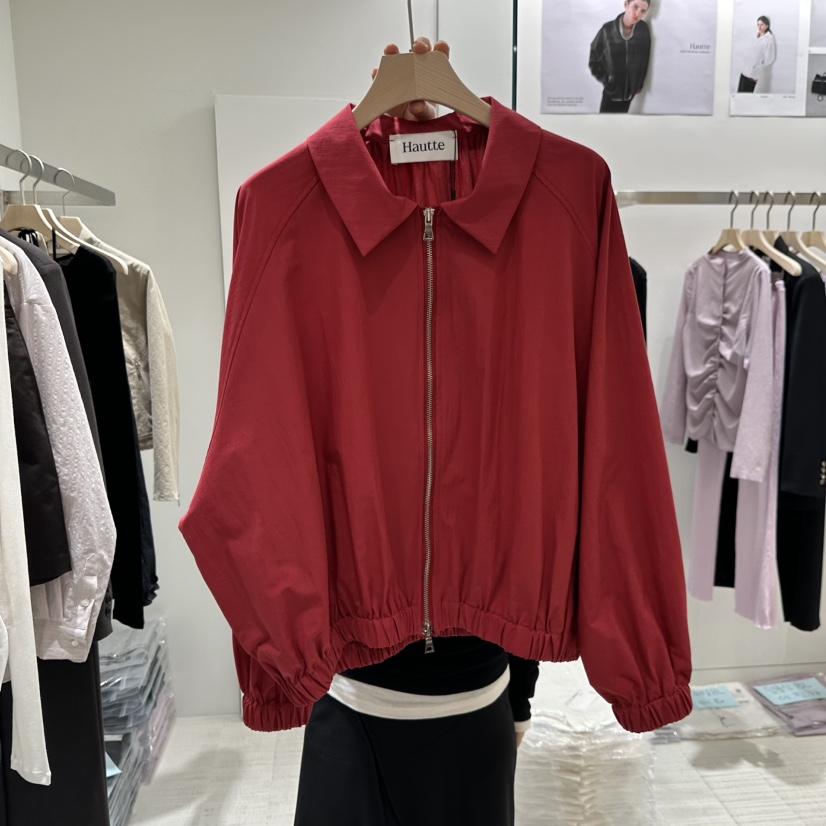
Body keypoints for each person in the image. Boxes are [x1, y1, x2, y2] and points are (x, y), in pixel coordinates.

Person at [292, 38, 539, 826]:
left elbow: (606, 456)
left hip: (482, 692)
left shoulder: (563, 205)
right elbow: (256, 456)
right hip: (350, 697)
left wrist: (628, 671)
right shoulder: (287, 210)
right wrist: (280, 658)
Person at [589, 0, 652, 113]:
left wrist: (638, 83)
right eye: (635, 7)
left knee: (621, 121)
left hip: (630, 95)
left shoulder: (643, 30)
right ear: (626, 4)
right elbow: (594, 58)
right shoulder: (607, 30)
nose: (638, 14)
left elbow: (644, 59)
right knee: (603, 122)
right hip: (611, 94)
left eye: (643, 11)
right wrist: (607, 80)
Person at [738, 16, 776, 93]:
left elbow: (770, 58)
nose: (759, 27)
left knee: (746, 95)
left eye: (762, 25)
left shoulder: (769, 39)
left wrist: (757, 65)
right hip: (744, 70)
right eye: (758, 24)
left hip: (752, 73)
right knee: (739, 94)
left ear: (767, 26)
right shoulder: (757, 36)